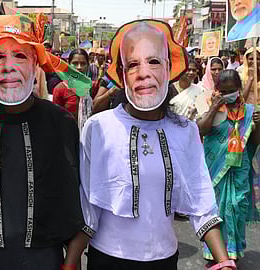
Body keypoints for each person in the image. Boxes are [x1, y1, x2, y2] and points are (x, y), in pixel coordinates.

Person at [78, 20, 236, 270]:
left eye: (153, 61)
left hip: (163, 259)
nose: (144, 72)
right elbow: (88, 202)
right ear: (122, 75)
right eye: (132, 64)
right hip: (107, 258)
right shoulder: (98, 128)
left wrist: (224, 261)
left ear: (168, 68)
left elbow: (201, 199)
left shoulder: (185, 131)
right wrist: (70, 262)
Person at [0, 14, 94, 270]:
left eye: (20, 56)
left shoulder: (60, 123)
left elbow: (78, 199)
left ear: (36, 64)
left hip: (45, 261)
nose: (9, 66)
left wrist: (71, 261)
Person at [197, 69, 260, 262]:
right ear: (216, 90)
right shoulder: (208, 105)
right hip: (215, 168)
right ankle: (214, 253)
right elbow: (201, 130)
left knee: (236, 206)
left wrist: (259, 125)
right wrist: (215, 107)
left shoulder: (250, 111)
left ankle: (233, 251)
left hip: (240, 170)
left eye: (232, 90)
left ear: (239, 89)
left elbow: (255, 142)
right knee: (217, 209)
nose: (228, 95)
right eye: (223, 91)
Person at [53, 48, 93, 129]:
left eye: (83, 63)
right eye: (75, 63)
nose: (79, 67)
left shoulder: (93, 87)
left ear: (88, 65)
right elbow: (55, 118)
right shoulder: (60, 89)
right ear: (69, 64)